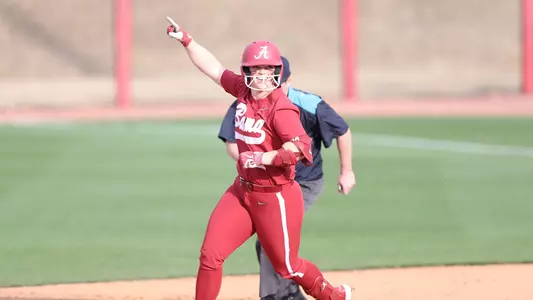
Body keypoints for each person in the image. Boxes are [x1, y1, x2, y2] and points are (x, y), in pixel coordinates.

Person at [166, 17, 353, 300]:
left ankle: (333, 295)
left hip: (277, 197)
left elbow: (300, 148)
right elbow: (213, 68)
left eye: (269, 69)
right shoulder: (242, 91)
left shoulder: (281, 108)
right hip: (243, 191)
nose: (263, 75)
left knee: (288, 266)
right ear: (247, 71)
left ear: (277, 72)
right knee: (210, 255)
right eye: (257, 68)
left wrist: (263, 159)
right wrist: (187, 40)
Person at [218, 56, 356, 300]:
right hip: (263, 186)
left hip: (303, 182)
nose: (269, 86)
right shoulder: (248, 97)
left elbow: (342, 130)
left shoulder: (308, 103)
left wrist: (347, 170)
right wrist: (249, 159)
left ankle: (277, 296)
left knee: (271, 241)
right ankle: (292, 294)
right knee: (273, 243)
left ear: (287, 80)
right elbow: (232, 143)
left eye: (277, 81)